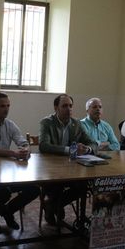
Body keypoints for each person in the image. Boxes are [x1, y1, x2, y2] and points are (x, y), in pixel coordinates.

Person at [0, 92, 39, 233]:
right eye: (2, 106)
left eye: (8, 105)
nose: (6, 109)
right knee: (4, 192)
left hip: (6, 171)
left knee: (34, 189)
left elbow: (23, 142)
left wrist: (25, 150)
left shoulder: (10, 124)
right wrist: (13, 153)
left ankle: (7, 211)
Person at [39, 94, 96, 225]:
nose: (69, 109)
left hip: (70, 169)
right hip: (49, 169)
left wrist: (87, 149)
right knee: (57, 187)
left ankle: (52, 205)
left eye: (70, 106)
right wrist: (70, 150)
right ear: (56, 108)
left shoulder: (76, 124)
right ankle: (54, 205)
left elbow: (92, 143)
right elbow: (44, 146)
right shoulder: (46, 122)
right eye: (64, 106)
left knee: (82, 186)